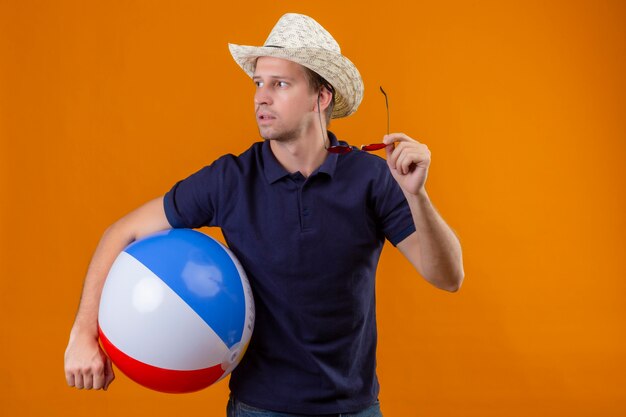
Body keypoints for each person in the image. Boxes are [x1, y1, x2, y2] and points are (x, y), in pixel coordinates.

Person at [64, 13, 464, 417]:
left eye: (280, 84)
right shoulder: (231, 179)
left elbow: (448, 277)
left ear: (320, 97)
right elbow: (123, 232)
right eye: (259, 83)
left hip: (354, 409)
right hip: (258, 408)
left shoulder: (371, 178)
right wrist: (83, 334)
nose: (261, 97)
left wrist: (419, 197)